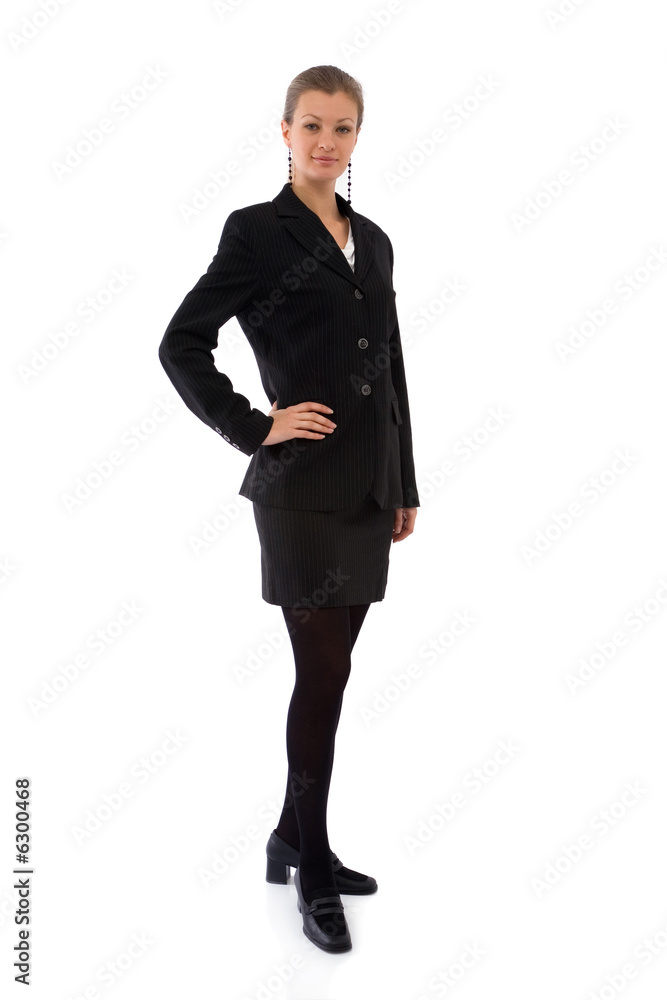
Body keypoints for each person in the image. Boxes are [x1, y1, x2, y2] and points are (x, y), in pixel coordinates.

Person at [158, 65, 420, 953]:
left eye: (342, 128)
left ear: (357, 138)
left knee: (333, 675)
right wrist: (253, 426)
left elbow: (392, 367)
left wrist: (404, 482)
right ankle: (311, 865)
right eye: (311, 125)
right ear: (283, 131)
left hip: (368, 489)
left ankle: (290, 837)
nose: (326, 142)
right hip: (300, 492)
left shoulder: (373, 240)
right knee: (322, 676)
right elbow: (181, 343)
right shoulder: (256, 232)